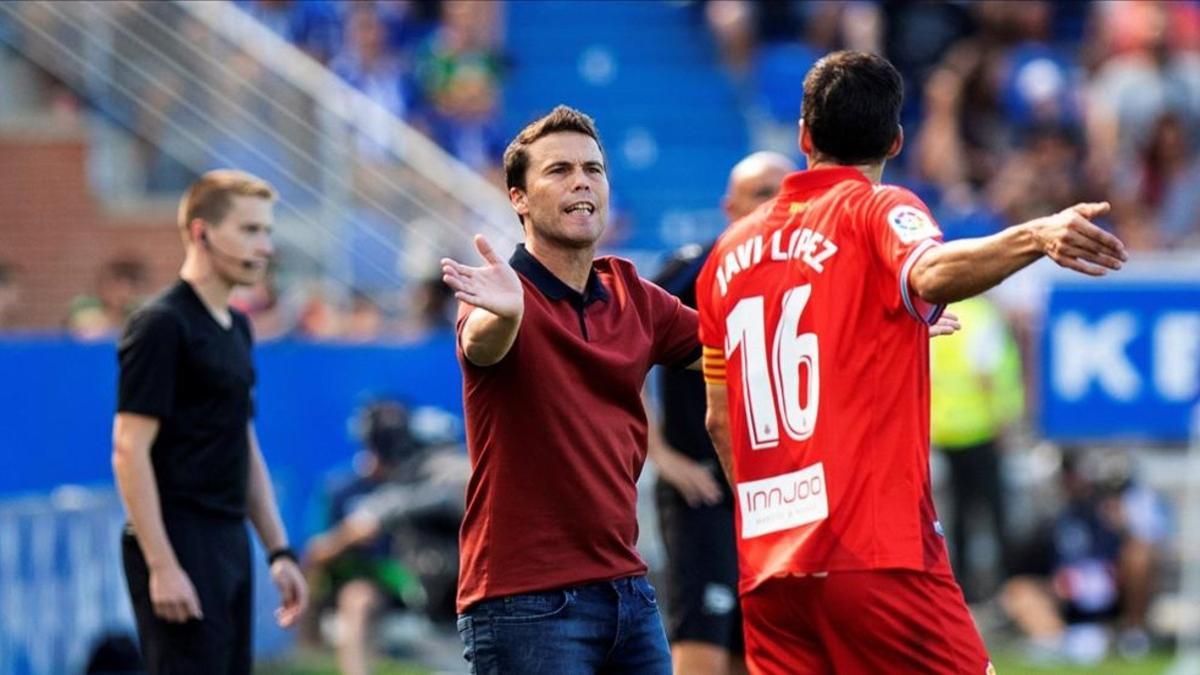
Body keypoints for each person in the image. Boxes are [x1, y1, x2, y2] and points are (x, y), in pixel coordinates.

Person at [697, 50, 1126, 674]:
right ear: (896, 140)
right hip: (872, 550)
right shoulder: (875, 207)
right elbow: (928, 269)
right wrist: (1036, 235)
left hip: (770, 568)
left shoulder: (727, 253)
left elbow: (720, 420)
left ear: (803, 136)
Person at [439, 105, 700, 674]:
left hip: (628, 592)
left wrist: (872, 313)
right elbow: (482, 343)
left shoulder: (636, 295)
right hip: (525, 603)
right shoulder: (497, 295)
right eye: (558, 170)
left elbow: (738, 348)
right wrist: (506, 315)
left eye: (593, 169)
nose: (582, 180)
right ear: (519, 199)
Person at [112, 169, 309, 675]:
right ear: (201, 232)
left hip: (228, 539)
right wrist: (162, 564)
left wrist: (279, 550)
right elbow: (129, 449)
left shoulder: (238, 326)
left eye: (266, 231)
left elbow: (241, 440)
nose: (264, 246)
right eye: (248, 230)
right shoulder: (161, 323)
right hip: (178, 538)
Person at [647, 151, 795, 675]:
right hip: (704, 488)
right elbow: (619, 354)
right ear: (729, 206)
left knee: (758, 648)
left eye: (786, 190)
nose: (777, 204)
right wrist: (662, 456)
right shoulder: (692, 269)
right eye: (762, 193)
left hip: (775, 492)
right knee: (703, 644)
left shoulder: (805, 272)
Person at [930, 293, 1025, 603]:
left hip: (945, 428)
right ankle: (1006, 586)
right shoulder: (982, 316)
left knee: (957, 513)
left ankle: (963, 587)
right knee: (994, 510)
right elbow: (986, 371)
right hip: (981, 428)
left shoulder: (938, 312)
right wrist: (1002, 420)